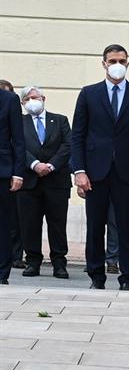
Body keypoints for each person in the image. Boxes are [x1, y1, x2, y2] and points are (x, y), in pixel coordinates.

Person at [71, 45, 129, 290]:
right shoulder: (89, 93)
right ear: (104, 64)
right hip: (95, 172)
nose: (117, 64)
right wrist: (79, 171)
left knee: (127, 226)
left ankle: (127, 277)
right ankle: (96, 276)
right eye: (112, 60)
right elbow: (78, 135)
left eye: (122, 60)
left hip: (128, 173)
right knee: (95, 226)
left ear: (127, 64)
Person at [17, 87, 71, 279]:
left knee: (57, 223)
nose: (32, 101)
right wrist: (34, 164)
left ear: (43, 98)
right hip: (29, 181)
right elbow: (17, 145)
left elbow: (67, 145)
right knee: (30, 224)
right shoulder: (19, 122)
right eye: (27, 99)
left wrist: (51, 165)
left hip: (56, 181)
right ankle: (32, 261)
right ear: (22, 103)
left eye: (35, 97)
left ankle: (59, 263)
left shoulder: (60, 120)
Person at [0, 84, 24, 285]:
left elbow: (18, 139)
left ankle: (1, 273)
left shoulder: (9, 99)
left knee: (3, 224)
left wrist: (18, 173)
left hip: (3, 171)